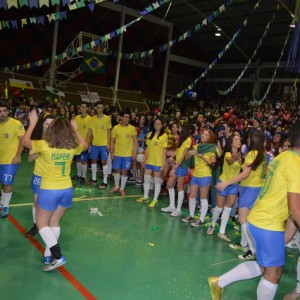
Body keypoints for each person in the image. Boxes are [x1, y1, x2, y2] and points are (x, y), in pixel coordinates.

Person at [208, 122, 300, 300]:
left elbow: (288, 202)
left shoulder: (284, 156)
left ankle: (218, 282)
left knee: (263, 265)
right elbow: (295, 209)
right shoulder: (296, 165)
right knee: (273, 273)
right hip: (268, 223)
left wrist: (288, 235)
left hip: (261, 218)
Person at [22, 109, 88, 271]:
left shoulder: (44, 145)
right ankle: (47, 254)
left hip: (49, 189)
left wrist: (32, 123)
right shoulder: (71, 147)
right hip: (67, 189)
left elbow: (25, 141)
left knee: (41, 223)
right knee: (54, 222)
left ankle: (57, 256)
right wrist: (76, 129)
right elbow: (85, 146)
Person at [216, 131, 267, 260]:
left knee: (243, 219)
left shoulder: (251, 154)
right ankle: (244, 244)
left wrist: (226, 183)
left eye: (248, 139)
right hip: (257, 189)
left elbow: (245, 174)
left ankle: (252, 249)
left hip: (249, 189)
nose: (246, 141)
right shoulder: (263, 155)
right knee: (248, 219)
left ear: (253, 141)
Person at [25, 112, 55, 237]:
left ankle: (48, 224)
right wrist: (41, 151)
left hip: (53, 177)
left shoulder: (58, 139)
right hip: (39, 175)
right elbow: (29, 159)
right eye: (46, 124)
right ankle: (36, 225)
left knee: (51, 203)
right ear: (42, 125)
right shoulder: (37, 140)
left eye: (52, 124)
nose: (49, 126)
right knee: (36, 201)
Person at [207, 135, 242, 242]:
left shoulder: (241, 155)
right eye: (236, 140)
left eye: (239, 139)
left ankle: (221, 231)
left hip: (234, 185)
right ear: (231, 143)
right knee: (219, 208)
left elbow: (242, 168)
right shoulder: (228, 153)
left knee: (228, 209)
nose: (239, 141)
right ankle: (212, 225)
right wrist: (237, 155)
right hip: (223, 183)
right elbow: (230, 161)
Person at [182, 128, 217, 224]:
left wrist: (201, 156)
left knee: (203, 198)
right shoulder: (196, 146)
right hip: (195, 174)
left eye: (206, 135)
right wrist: (190, 153)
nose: (203, 136)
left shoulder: (212, 148)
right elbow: (186, 157)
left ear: (210, 138)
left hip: (205, 175)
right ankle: (191, 215)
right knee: (192, 196)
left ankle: (201, 219)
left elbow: (213, 163)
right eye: (203, 134)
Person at [161, 123, 193, 216]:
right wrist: (172, 153)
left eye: (179, 127)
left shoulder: (188, 139)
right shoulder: (181, 139)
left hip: (182, 165)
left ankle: (178, 209)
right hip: (178, 164)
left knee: (179, 187)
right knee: (169, 184)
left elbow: (184, 155)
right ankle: (172, 206)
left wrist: (175, 166)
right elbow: (179, 152)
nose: (178, 128)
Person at [0, 99, 25, 218]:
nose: (2, 114)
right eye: (0, 111)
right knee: (2, 183)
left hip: (10, 161)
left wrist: (18, 156)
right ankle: (2, 202)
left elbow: (23, 141)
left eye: (4, 111)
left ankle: (5, 206)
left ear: (8, 111)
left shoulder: (16, 124)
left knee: (6, 183)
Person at [136, 118, 168, 207]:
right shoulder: (149, 134)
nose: (157, 125)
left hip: (158, 162)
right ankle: (145, 197)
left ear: (162, 125)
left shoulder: (164, 136)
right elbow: (147, 149)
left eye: (159, 124)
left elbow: (164, 151)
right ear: (153, 125)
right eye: (155, 124)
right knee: (146, 178)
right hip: (149, 161)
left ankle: (155, 199)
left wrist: (163, 163)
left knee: (157, 181)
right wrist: (144, 159)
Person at [110, 109, 138, 196]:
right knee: (116, 170)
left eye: (128, 117)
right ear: (121, 118)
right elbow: (112, 140)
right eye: (125, 117)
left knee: (125, 171)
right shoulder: (115, 128)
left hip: (127, 154)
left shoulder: (132, 128)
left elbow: (135, 141)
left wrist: (135, 153)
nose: (127, 119)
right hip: (117, 154)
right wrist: (112, 152)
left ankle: (122, 188)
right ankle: (116, 186)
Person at [87, 101, 111, 188]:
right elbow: (90, 132)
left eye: (101, 108)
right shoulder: (92, 119)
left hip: (104, 144)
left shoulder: (107, 118)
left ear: (103, 109)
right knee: (93, 160)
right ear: (96, 108)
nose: (100, 109)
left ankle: (105, 182)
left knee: (103, 162)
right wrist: (87, 143)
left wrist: (108, 144)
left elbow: (109, 132)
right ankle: (94, 179)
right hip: (94, 144)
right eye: (98, 108)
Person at [72, 103, 91, 184]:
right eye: (81, 107)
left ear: (87, 109)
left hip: (85, 144)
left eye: (83, 107)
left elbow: (90, 133)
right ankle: (79, 174)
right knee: (78, 159)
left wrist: (87, 144)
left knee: (84, 160)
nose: (81, 108)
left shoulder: (90, 119)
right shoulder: (76, 118)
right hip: (77, 143)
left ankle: (84, 176)